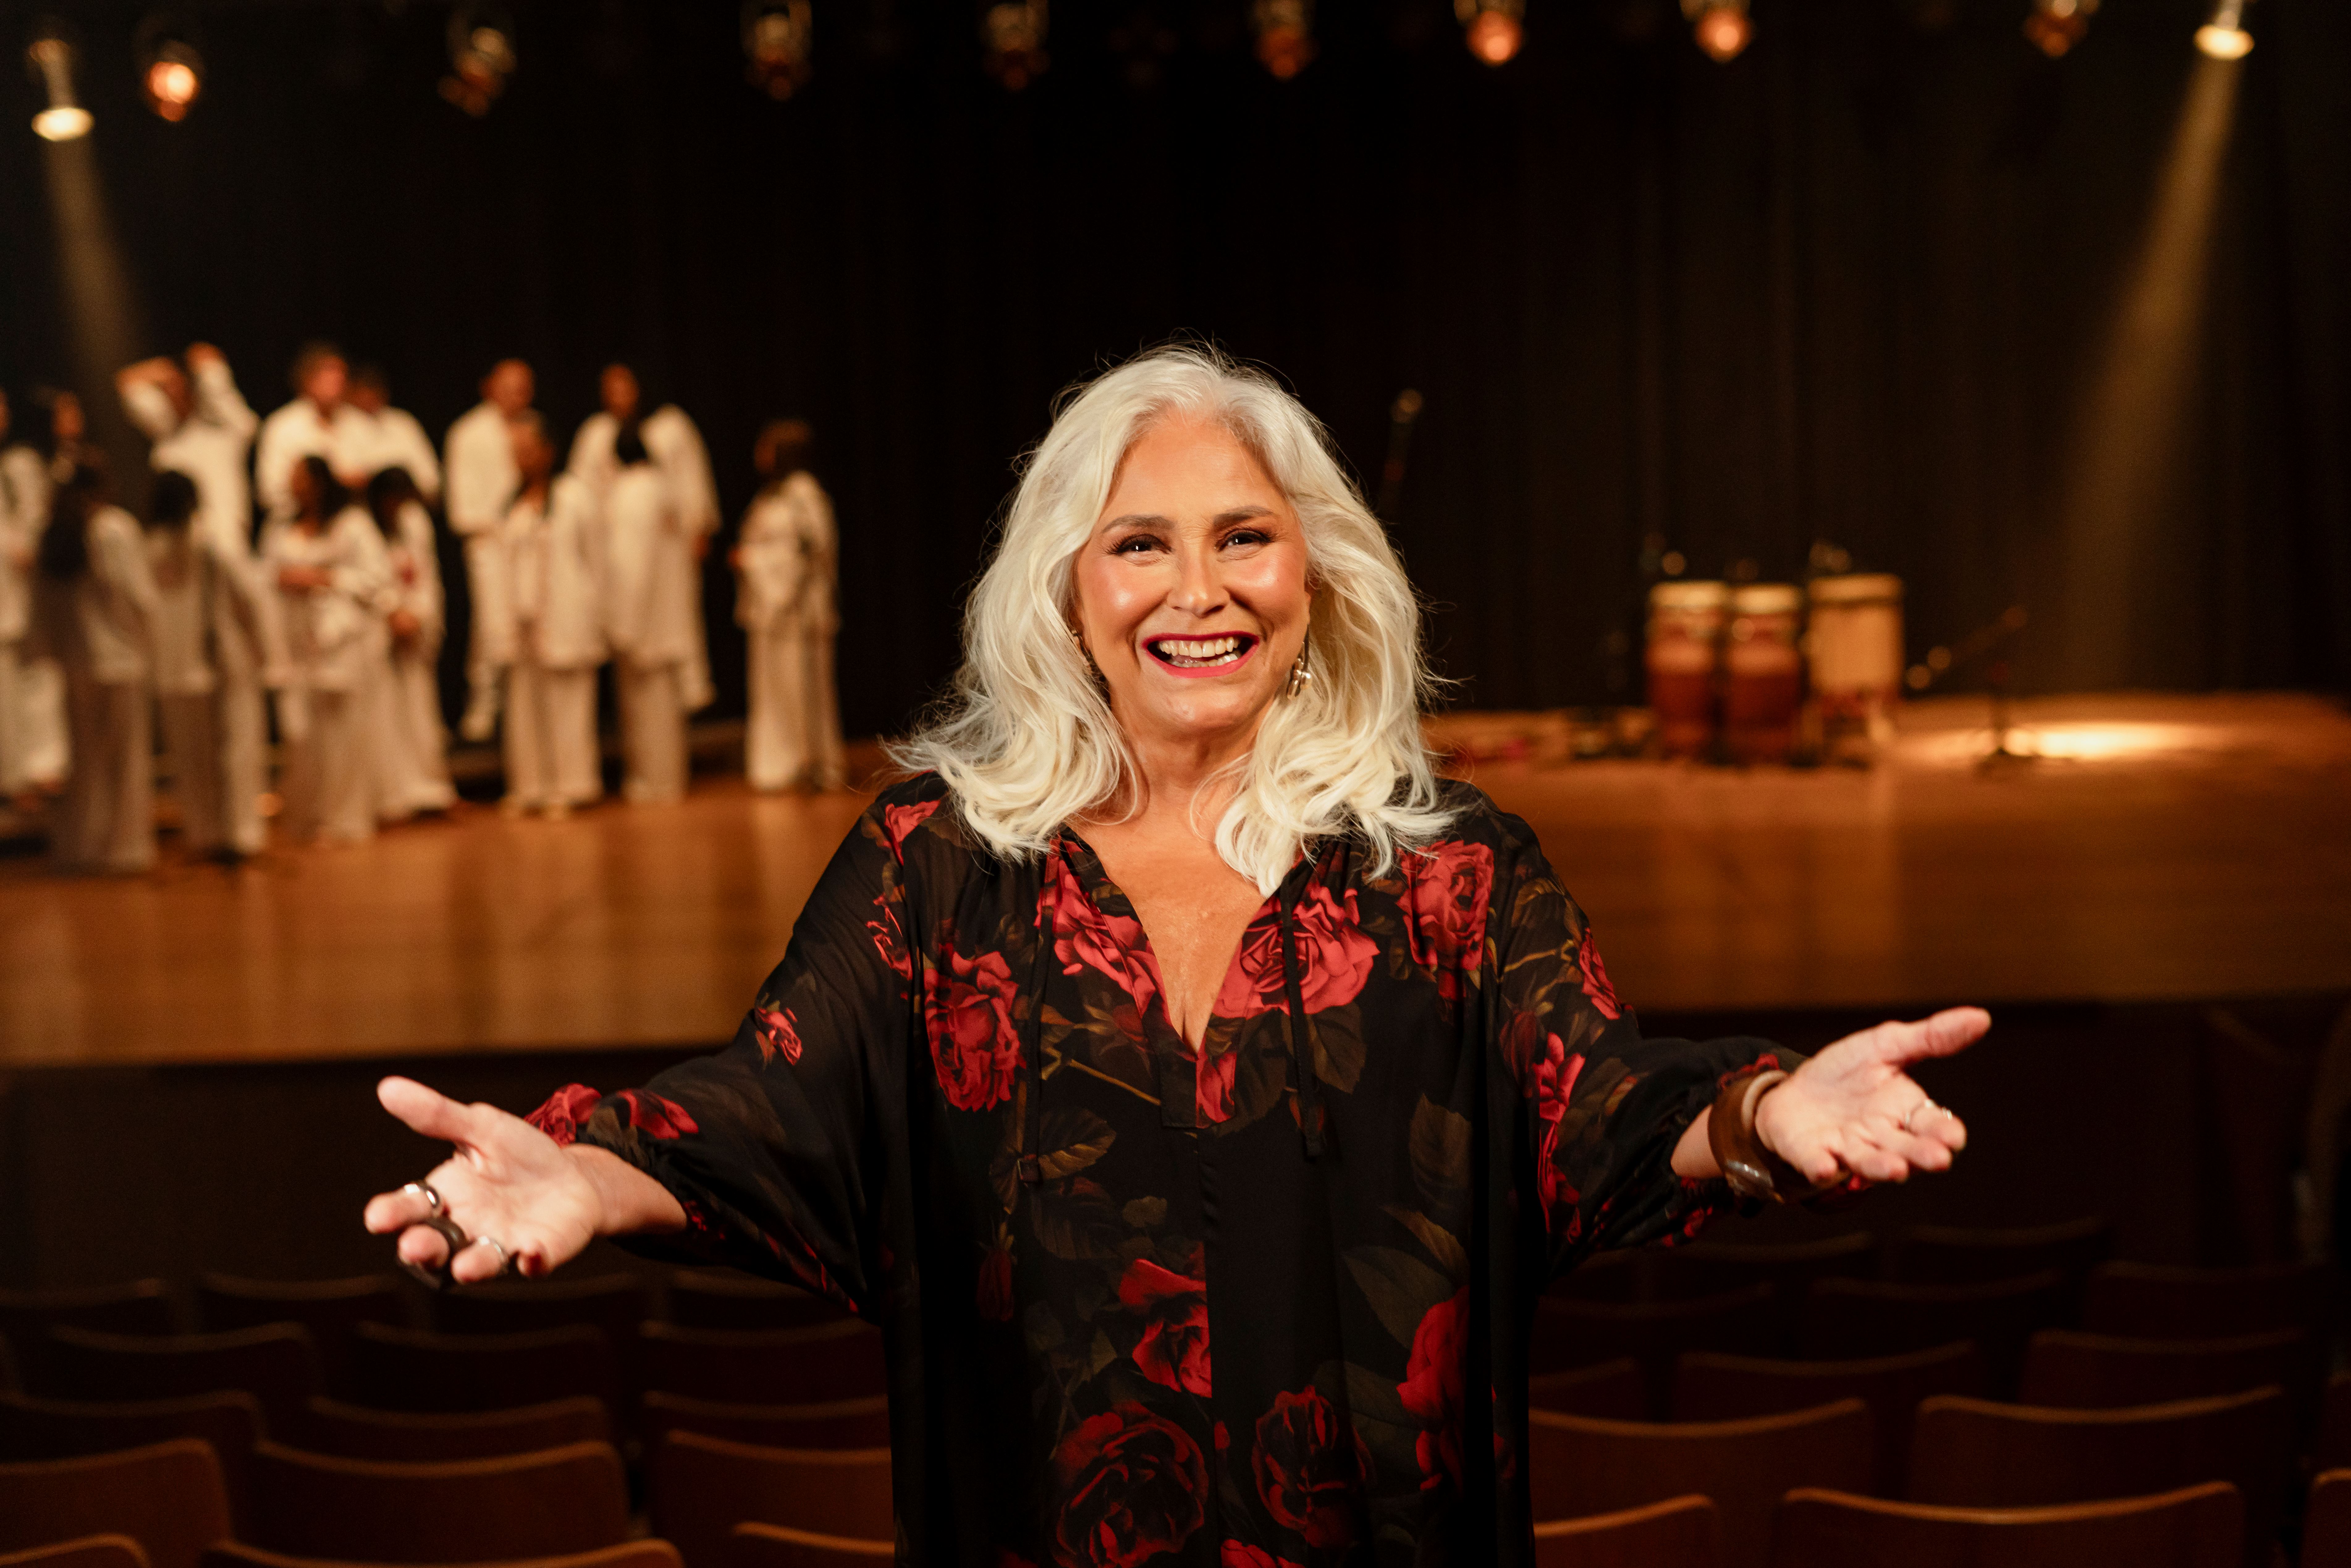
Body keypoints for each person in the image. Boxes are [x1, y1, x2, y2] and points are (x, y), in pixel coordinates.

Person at [367, 347, 1985, 1566]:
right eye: (1140, 543)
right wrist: (585, 1172)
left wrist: (1760, 1113)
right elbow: (773, 1115)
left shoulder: (1448, 872)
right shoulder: (933, 870)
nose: (1197, 590)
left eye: (1243, 539)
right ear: (1065, 589)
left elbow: (1601, 1114)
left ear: (1314, 572)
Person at [117, 344, 279, 857]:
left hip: (207, 628)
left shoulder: (223, 431)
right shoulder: (158, 541)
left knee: (224, 742)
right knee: (208, 745)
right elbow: (129, 385)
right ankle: (217, 832)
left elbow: (228, 402)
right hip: (189, 651)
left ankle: (233, 831)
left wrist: (208, 369)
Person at [566, 363, 719, 711]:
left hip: (668, 546)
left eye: (623, 387)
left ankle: (691, 680)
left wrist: (699, 526)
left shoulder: (671, 426)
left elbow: (693, 480)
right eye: (609, 389)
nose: (617, 396)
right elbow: (581, 491)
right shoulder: (596, 433)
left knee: (677, 610)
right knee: (629, 613)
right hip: (619, 547)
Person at [31, 460, 157, 874]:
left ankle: (82, 846)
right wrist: (150, 643)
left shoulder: (53, 531)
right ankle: (124, 848)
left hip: (75, 663)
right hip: (119, 660)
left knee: (85, 761)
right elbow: (136, 595)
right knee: (125, 760)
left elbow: (43, 603)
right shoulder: (112, 528)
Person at [263, 455, 388, 845]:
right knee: (302, 736)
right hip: (296, 645)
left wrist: (322, 578)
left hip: (341, 644)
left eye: (301, 479)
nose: (295, 487)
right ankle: (309, 814)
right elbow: (265, 578)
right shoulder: (279, 528)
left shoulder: (353, 525)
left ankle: (346, 818)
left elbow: (375, 580)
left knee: (344, 735)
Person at [141, 470, 252, 859]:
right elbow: (246, 596)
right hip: (211, 664)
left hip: (175, 667)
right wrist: (260, 648)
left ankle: (204, 834)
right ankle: (238, 832)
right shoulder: (208, 541)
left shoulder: (149, 548)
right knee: (233, 750)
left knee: (190, 756)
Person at [500, 414, 604, 819]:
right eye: (516, 452)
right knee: (526, 705)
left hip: (565, 616)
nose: (521, 459)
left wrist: (593, 616)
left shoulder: (575, 496)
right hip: (524, 618)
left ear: (548, 452)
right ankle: (531, 785)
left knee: (568, 704)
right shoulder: (513, 504)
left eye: (528, 450)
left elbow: (595, 561)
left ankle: (572, 784)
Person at [732, 419, 844, 792]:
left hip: (797, 612)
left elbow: (808, 551)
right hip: (773, 615)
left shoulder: (803, 496)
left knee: (803, 689)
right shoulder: (774, 496)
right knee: (778, 690)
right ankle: (782, 762)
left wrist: (752, 561)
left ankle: (810, 762)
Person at [443, 359, 534, 741]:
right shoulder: (468, 433)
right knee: (493, 626)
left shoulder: (534, 428)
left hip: (528, 542)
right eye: (509, 386)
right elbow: (463, 503)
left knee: (529, 625)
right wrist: (488, 529)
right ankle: (484, 707)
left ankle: (524, 710)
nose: (517, 395)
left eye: (523, 387)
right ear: (490, 387)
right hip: (488, 542)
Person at [601, 427, 693, 803]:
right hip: (668, 615)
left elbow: (630, 564)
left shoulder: (631, 494)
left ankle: (653, 782)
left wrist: (623, 624)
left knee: (644, 710)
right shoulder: (664, 488)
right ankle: (669, 778)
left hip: (643, 620)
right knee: (664, 708)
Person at [364, 467, 456, 821]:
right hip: (380, 631)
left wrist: (417, 614)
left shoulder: (415, 523)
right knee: (384, 713)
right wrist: (390, 611)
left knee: (419, 709)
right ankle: (390, 794)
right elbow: (365, 578)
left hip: (414, 630)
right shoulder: (362, 526)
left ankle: (427, 787)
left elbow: (426, 573)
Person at [1, 389, 81, 797]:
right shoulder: (19, 465)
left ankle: (41, 768)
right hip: (14, 590)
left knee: (38, 678)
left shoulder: (33, 463)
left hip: (32, 590)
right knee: (14, 684)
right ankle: (20, 774)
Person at [254, 342, 368, 521]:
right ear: (307, 380)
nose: (336, 382)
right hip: (295, 528)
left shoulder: (360, 424)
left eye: (341, 375)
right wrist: (323, 486)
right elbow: (269, 493)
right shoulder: (282, 426)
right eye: (328, 375)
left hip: (350, 528)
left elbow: (376, 479)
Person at [345, 365, 444, 507]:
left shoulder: (403, 423)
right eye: (364, 391)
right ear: (350, 393)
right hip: (362, 515)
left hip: (409, 511)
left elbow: (431, 480)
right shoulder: (343, 423)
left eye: (375, 390)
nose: (370, 397)